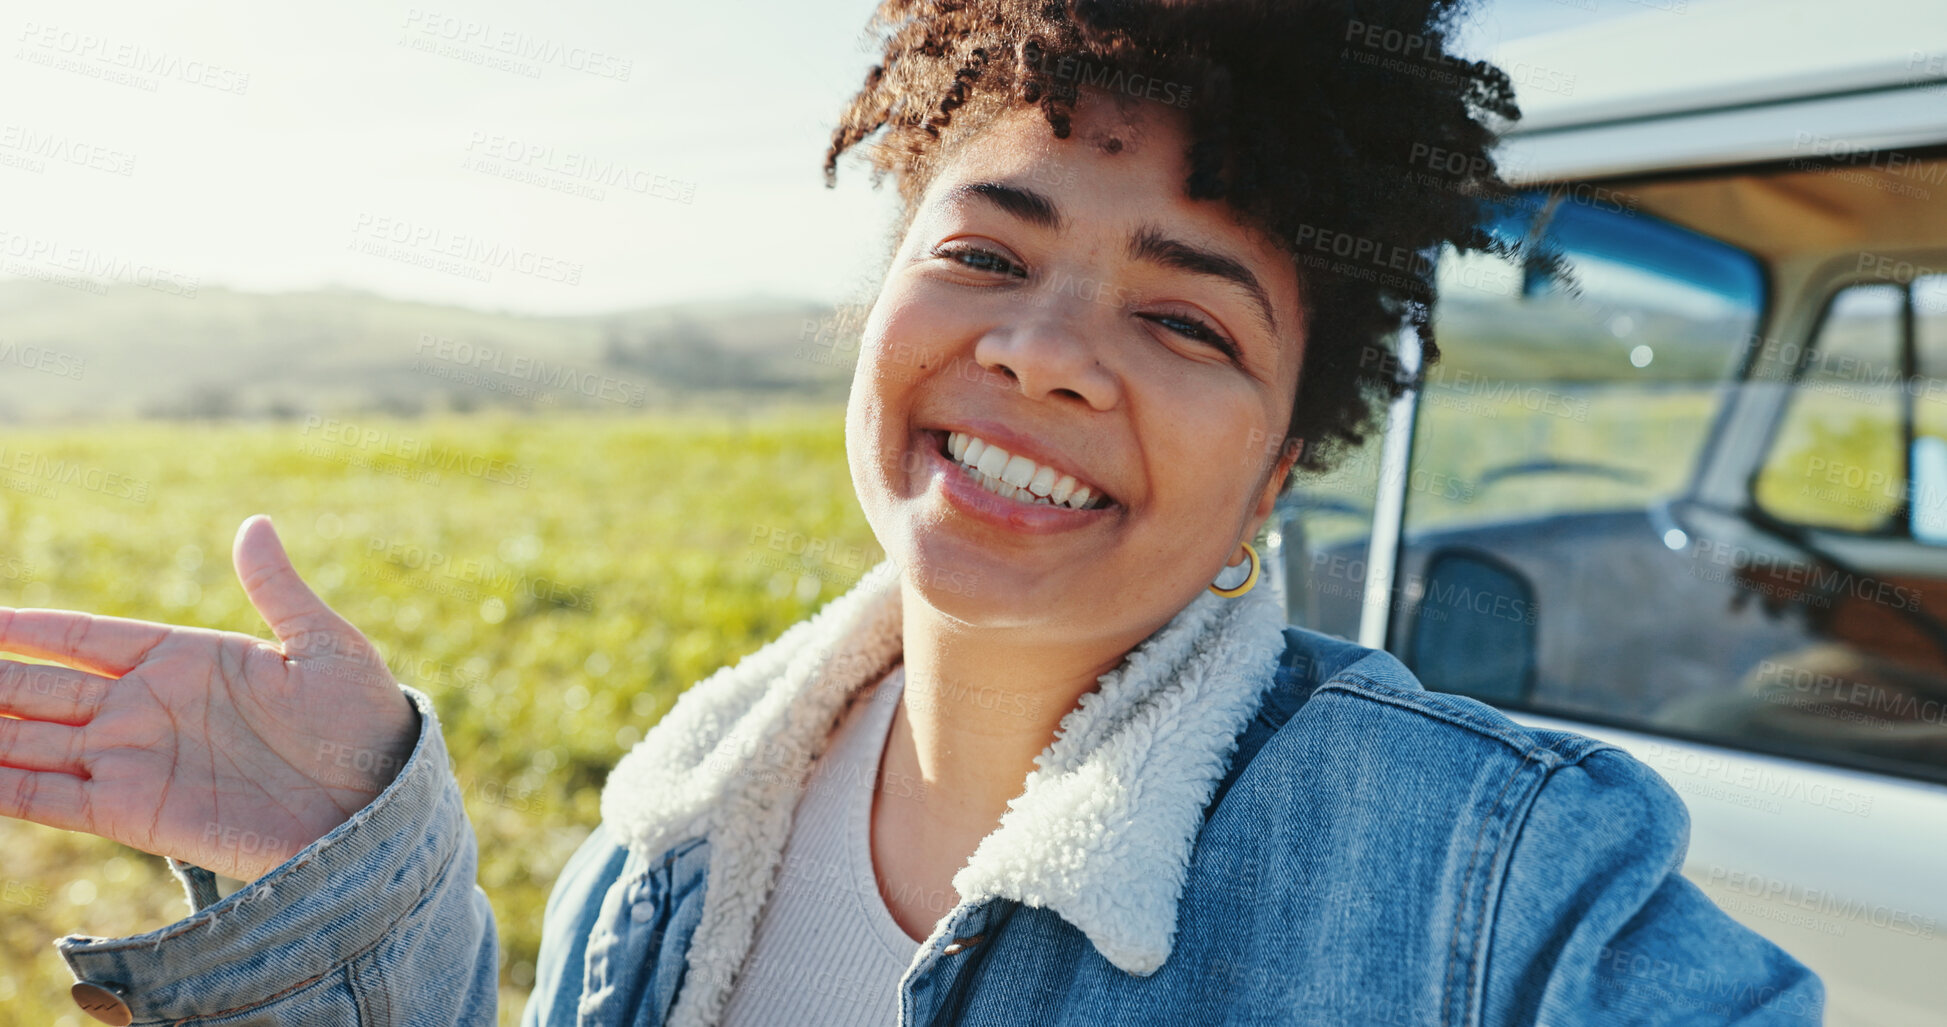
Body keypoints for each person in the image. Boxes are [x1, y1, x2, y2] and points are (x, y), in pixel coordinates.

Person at [0, 0, 1825, 1024]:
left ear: (1282, 462)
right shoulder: (678, 832)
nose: (1039, 356)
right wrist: (352, 893)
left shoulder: (1486, 886)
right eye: (982, 254)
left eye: (1184, 316)